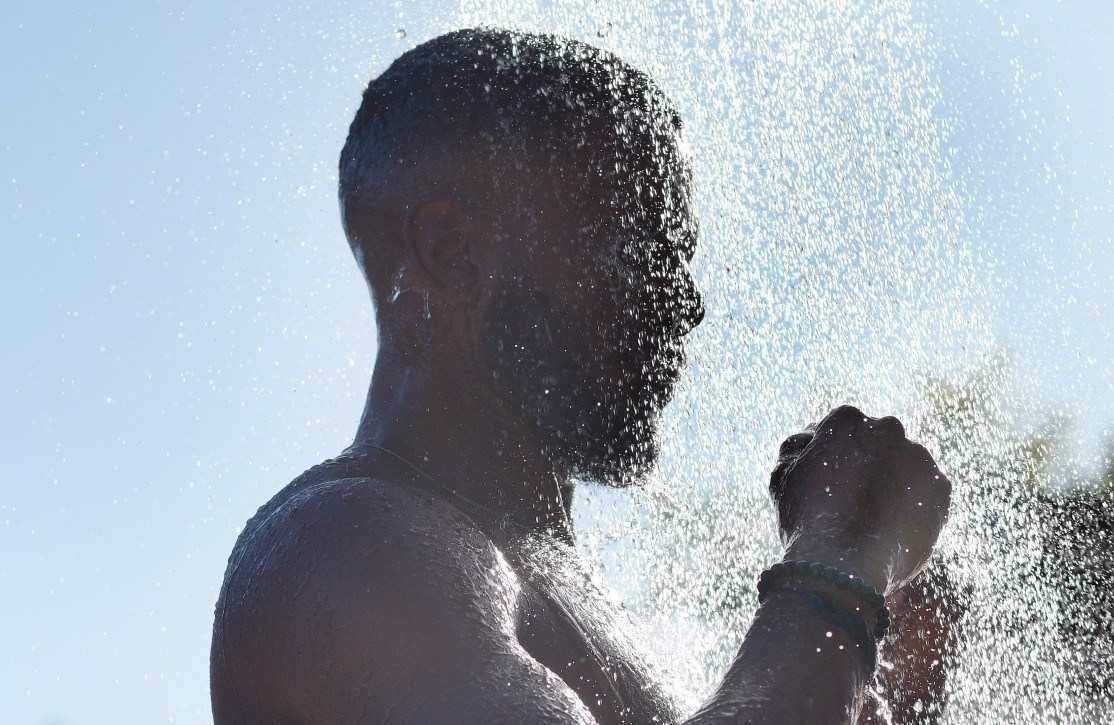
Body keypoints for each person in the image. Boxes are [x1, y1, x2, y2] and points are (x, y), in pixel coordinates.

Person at [210, 27, 952, 724]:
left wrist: (845, 668)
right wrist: (837, 559)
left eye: (681, 257)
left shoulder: (571, 592)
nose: (685, 303)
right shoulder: (347, 543)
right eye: (637, 245)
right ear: (452, 249)